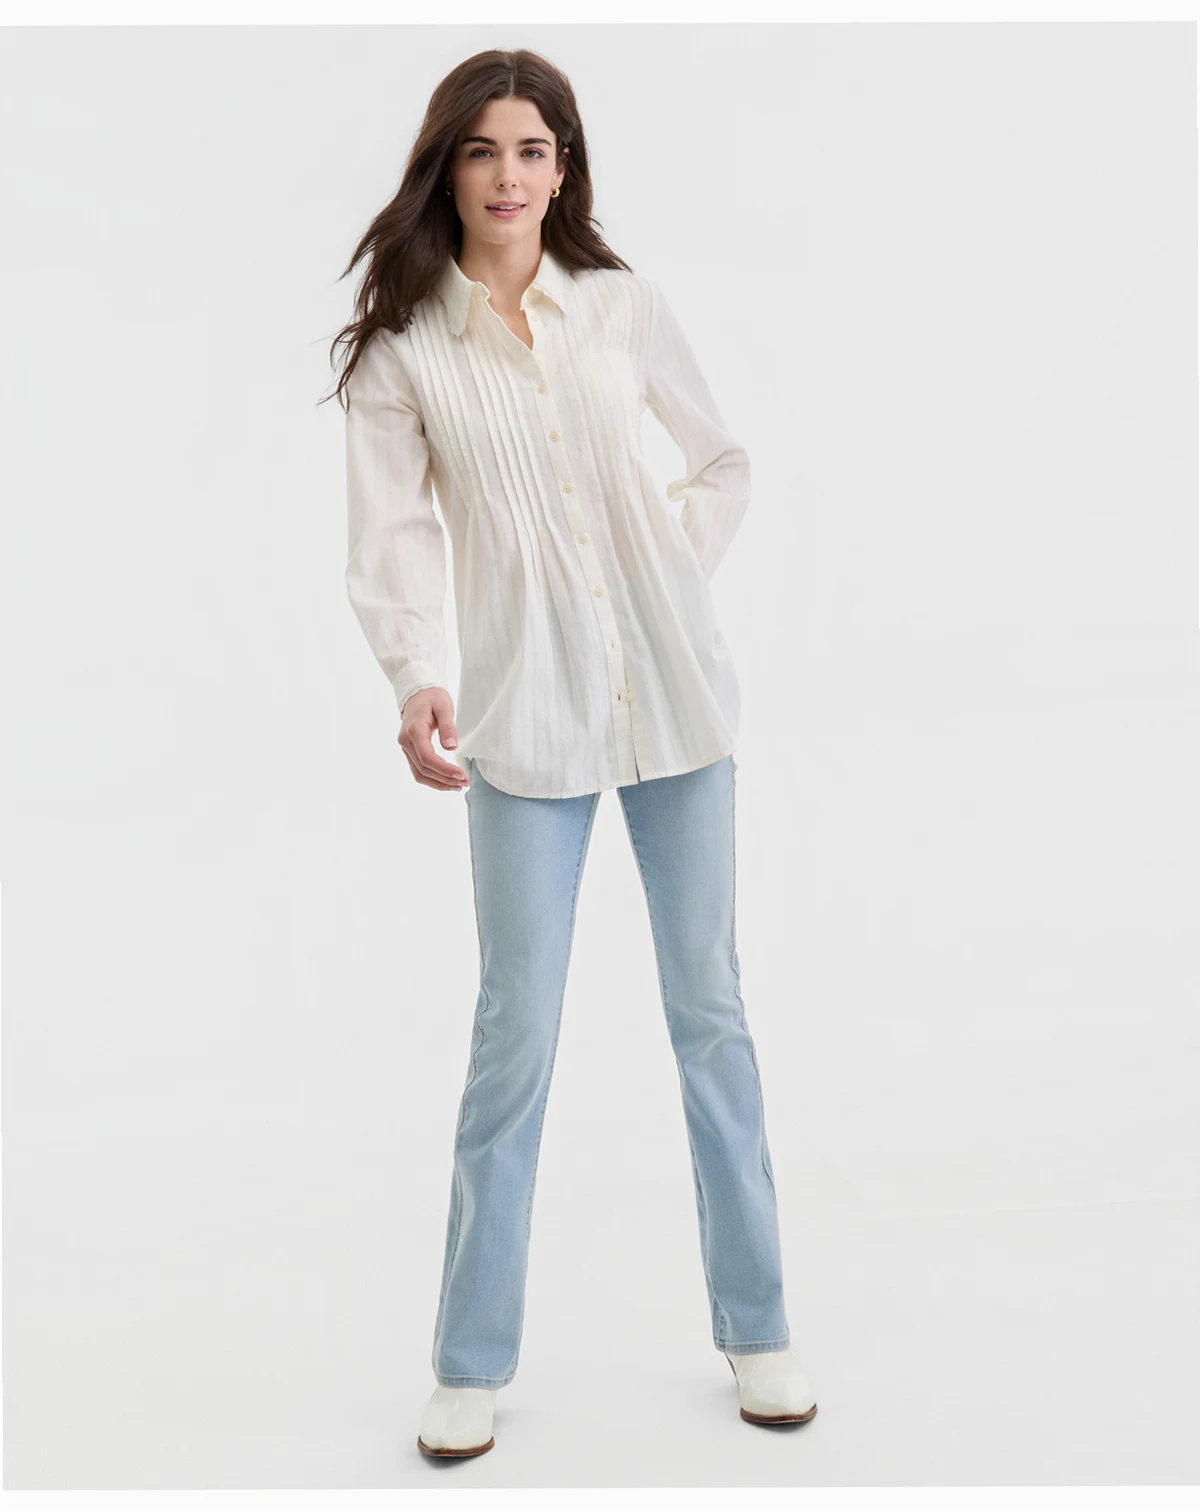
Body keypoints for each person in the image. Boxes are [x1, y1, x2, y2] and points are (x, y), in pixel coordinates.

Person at [329, 48, 818, 1458]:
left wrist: (670, 575)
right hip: (523, 722)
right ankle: (469, 1358)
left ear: (563, 168)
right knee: (516, 1033)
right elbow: (390, 539)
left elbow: (722, 462)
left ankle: (759, 1328)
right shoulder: (404, 351)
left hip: (677, 706)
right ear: (447, 168)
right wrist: (417, 677)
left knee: (711, 1014)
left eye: (532, 149)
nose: (508, 175)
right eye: (482, 150)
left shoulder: (621, 305)